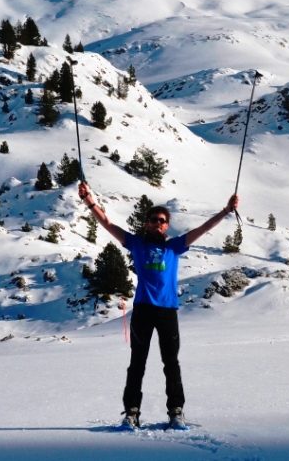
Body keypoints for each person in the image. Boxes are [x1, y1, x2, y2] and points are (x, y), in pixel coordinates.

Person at [78, 181, 239, 430]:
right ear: (147, 223)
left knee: (171, 363)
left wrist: (226, 211)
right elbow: (108, 224)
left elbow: (204, 228)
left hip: (167, 311)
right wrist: (89, 201)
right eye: (153, 219)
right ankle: (132, 413)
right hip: (143, 309)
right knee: (137, 363)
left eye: (162, 220)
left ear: (167, 225)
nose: (158, 223)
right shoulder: (137, 244)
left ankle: (176, 412)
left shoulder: (174, 247)